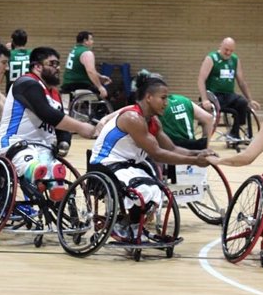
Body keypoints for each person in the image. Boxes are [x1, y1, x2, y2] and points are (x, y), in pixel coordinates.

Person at [90, 71, 213, 241]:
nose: (166, 103)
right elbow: (158, 154)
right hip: (106, 165)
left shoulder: (154, 122)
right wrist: (194, 161)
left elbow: (172, 148)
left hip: (128, 165)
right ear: (149, 97)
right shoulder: (132, 117)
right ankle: (120, 226)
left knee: (156, 189)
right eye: (163, 98)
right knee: (142, 189)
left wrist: (199, 153)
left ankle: (133, 226)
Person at [0, 47, 96, 202]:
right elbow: (47, 114)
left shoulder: (54, 93)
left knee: (57, 172)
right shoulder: (26, 83)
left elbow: (62, 122)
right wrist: (81, 127)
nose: (57, 68)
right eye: (52, 64)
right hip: (15, 144)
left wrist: (64, 143)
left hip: (43, 147)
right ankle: (39, 178)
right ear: (37, 66)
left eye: (58, 64)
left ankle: (56, 200)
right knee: (38, 167)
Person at [198, 37, 260, 142]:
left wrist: (250, 99)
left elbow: (241, 82)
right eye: (226, 50)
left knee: (242, 103)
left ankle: (234, 133)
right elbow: (201, 80)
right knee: (233, 110)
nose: (228, 53)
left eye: (231, 51)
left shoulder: (235, 59)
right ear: (220, 46)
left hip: (228, 95)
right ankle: (210, 136)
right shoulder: (211, 58)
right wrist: (204, 99)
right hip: (213, 95)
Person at [61, 31, 112, 99]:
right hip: (78, 85)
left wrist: (100, 77)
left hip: (67, 85)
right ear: (85, 41)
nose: (92, 42)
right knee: (106, 96)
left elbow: (83, 69)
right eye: (91, 39)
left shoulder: (74, 50)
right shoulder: (86, 53)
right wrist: (100, 87)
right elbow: (90, 71)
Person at [5, 28, 31, 93]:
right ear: (26, 41)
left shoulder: (8, 54)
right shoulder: (32, 54)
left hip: (12, 90)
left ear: (13, 41)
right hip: (28, 90)